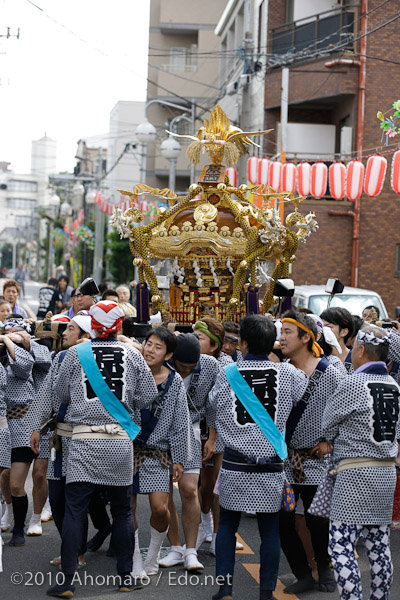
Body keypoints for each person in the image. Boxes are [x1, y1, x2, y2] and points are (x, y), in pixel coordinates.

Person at [46, 301, 158, 597]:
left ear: (92, 326)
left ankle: (67, 580)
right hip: (120, 442)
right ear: (119, 326)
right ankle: (125, 576)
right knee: (122, 510)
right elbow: (148, 396)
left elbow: (60, 394)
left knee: (75, 511)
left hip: (83, 440)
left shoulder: (73, 354)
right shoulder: (132, 355)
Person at [210, 314, 308, 600]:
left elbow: (214, 403)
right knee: (269, 530)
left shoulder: (227, 373)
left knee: (228, 525)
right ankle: (266, 592)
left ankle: (225, 588)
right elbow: (302, 393)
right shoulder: (288, 374)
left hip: (234, 464)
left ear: (242, 342)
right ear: (272, 344)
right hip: (271, 467)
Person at [322, 324, 400, 600]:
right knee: (379, 544)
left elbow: (327, 425)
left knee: (341, 544)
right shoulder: (393, 385)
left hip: (355, 472)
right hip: (386, 472)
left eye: (354, 348)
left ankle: (351, 598)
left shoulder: (353, 383)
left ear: (362, 350)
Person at [278, 309, 340, 594]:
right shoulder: (278, 371)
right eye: (280, 332)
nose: (281, 338)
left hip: (316, 460)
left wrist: (330, 443)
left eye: (287, 332)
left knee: (318, 520)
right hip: (286, 461)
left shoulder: (332, 373)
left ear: (306, 337)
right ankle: (302, 573)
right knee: (285, 520)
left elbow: (348, 415)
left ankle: (324, 568)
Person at [27, 314, 94, 569]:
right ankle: (72, 549)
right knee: (57, 497)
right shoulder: (60, 357)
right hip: (58, 437)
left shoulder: (99, 360)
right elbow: (46, 395)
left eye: (72, 329)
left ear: (86, 336)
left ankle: (77, 553)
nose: (64, 333)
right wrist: (36, 427)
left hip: (86, 438)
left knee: (76, 499)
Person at [131, 327, 193, 578]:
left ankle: (154, 553)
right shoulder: (132, 372)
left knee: (159, 508)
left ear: (168, 355)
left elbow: (181, 420)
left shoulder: (175, 380)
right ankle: (135, 559)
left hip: (159, 452)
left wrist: (179, 458)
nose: (150, 350)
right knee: (128, 507)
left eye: (158, 347)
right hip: (129, 449)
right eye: (148, 344)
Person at [159, 333, 219, 571]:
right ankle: (175, 548)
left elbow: (214, 404)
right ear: (172, 358)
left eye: (192, 368)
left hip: (192, 430)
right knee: (163, 493)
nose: (186, 372)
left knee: (188, 489)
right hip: (161, 431)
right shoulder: (161, 364)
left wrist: (212, 437)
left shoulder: (211, 366)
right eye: (182, 367)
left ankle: (191, 551)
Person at [0, 315, 51, 544]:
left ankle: (26, 524)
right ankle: (9, 511)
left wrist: (12, 342)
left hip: (27, 422)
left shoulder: (32, 350)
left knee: (25, 479)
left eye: (15, 331)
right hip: (3, 424)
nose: (10, 334)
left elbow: (24, 367)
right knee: (4, 476)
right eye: (6, 330)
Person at [193, 318, 232, 554]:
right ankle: (203, 525)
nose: (193, 341)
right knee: (204, 485)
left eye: (199, 338)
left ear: (214, 345)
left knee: (218, 485)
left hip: (220, 430)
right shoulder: (187, 359)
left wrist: (214, 437)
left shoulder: (226, 365)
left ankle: (218, 534)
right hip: (197, 426)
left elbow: (219, 404)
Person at [320, 307, 355, 373]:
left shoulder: (355, 359)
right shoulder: (319, 357)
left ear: (344, 332)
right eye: (321, 327)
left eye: (328, 327)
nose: (324, 330)